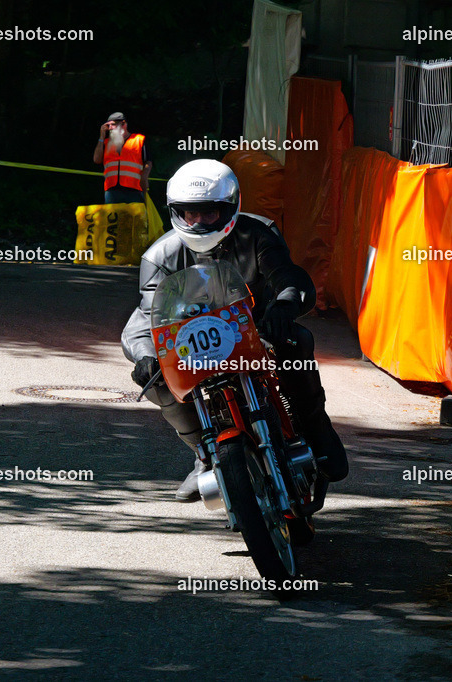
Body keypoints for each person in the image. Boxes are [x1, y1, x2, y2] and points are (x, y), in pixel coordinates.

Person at [121, 159, 348, 501]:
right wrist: (144, 356)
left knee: (298, 340)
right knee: (155, 380)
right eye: (189, 213)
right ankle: (204, 454)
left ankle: (316, 427)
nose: (198, 222)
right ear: (175, 212)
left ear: (230, 207)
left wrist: (285, 304)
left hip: (258, 331)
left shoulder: (258, 233)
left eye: (209, 213)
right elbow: (147, 316)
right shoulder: (159, 256)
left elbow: (287, 276)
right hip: (191, 346)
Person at [93, 112, 151, 204]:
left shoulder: (139, 140)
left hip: (134, 190)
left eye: (113, 124)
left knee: (136, 214)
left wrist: (144, 177)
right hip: (111, 190)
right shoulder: (106, 142)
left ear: (123, 124)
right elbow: (96, 160)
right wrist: (101, 137)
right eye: (108, 125)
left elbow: (148, 161)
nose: (110, 128)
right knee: (113, 214)